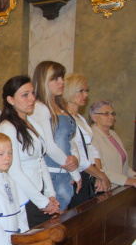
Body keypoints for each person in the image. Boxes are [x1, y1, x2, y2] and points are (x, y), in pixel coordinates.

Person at [0, 76, 59, 228]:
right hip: (23, 195)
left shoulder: (33, 124)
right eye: (25, 95)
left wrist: (50, 194)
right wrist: (42, 202)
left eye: (32, 93)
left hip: (39, 191)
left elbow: (41, 160)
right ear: (11, 100)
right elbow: (14, 171)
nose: (32, 98)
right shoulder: (8, 128)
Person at [31, 61, 81, 212]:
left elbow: (70, 139)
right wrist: (75, 172)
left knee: (62, 224)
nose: (61, 82)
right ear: (43, 81)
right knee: (54, 226)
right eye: (55, 79)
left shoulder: (60, 105)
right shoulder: (39, 107)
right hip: (52, 174)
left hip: (64, 171)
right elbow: (50, 146)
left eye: (61, 77)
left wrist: (75, 158)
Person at [64, 74, 110, 207]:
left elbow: (92, 149)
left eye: (86, 91)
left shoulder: (80, 118)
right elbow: (80, 159)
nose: (85, 95)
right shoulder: (66, 119)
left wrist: (99, 173)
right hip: (78, 175)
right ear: (70, 92)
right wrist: (102, 176)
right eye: (81, 91)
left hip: (91, 173)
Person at [90, 101, 136, 188]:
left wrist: (133, 175)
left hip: (120, 186)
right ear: (94, 116)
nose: (111, 116)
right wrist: (127, 181)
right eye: (106, 114)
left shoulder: (113, 134)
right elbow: (99, 168)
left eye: (112, 113)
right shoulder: (91, 135)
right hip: (105, 187)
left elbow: (121, 164)